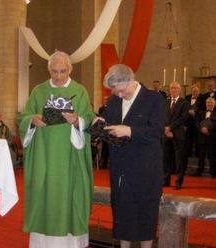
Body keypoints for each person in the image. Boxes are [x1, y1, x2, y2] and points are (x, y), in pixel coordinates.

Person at [18, 51, 95, 248]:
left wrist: (78, 120)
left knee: (69, 199)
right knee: (44, 197)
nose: (58, 76)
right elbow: (24, 117)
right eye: (54, 71)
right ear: (48, 69)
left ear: (70, 69)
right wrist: (32, 120)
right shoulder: (39, 91)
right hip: (44, 157)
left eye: (62, 71)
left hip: (70, 159)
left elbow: (89, 119)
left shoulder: (80, 91)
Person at [97, 64, 165, 248]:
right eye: (115, 92)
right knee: (122, 214)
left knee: (145, 215)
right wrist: (100, 125)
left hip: (146, 169)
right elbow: (110, 132)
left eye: (121, 90)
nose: (119, 95)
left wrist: (129, 131)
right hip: (121, 169)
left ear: (131, 81)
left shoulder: (154, 99)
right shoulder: (113, 102)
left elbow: (157, 132)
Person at [163, 82, 189, 190]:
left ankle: (178, 181)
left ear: (179, 90)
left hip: (178, 133)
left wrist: (170, 127)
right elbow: (161, 116)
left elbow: (183, 118)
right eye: (171, 88)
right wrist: (165, 128)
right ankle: (166, 180)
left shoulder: (184, 103)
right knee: (166, 159)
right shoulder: (165, 101)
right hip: (165, 133)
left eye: (175, 88)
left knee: (179, 159)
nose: (173, 90)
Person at [193, 97, 216, 177]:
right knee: (201, 155)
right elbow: (196, 123)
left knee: (212, 156)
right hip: (201, 137)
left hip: (212, 137)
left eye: (211, 103)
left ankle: (213, 172)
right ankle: (199, 171)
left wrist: (208, 129)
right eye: (208, 102)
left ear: (214, 104)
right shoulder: (201, 113)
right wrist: (201, 129)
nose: (209, 104)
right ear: (206, 104)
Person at [184, 84, 203, 158]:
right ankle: (188, 154)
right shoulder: (187, 97)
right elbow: (184, 108)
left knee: (198, 139)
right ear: (191, 91)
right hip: (188, 122)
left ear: (199, 91)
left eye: (196, 91)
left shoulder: (202, 98)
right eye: (194, 91)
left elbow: (204, 109)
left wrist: (195, 113)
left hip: (198, 121)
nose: (195, 92)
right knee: (189, 139)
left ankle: (198, 154)